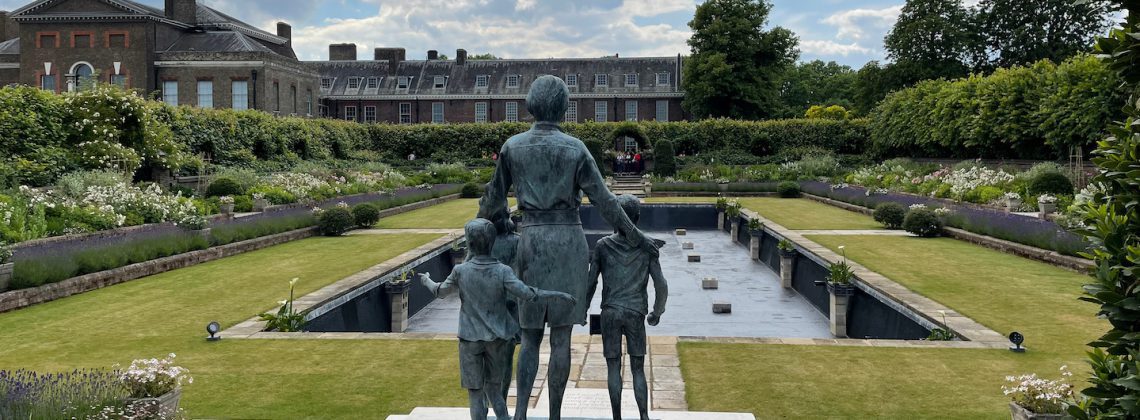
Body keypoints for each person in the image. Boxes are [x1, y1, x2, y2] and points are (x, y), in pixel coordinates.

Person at [477, 75, 659, 420]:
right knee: (561, 340)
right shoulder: (575, 148)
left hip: (530, 241)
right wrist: (638, 238)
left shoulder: (513, 146)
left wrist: (479, 240)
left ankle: (519, 415)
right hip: (568, 244)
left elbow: (492, 202)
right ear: (563, 107)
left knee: (529, 338)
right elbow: (606, 202)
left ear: (531, 106)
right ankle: (555, 416)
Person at [420, 219, 574, 420]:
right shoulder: (503, 271)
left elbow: (440, 292)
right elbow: (528, 293)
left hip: (470, 340)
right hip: (498, 340)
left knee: (476, 395)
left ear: (469, 244)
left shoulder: (461, 271)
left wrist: (426, 281)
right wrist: (558, 294)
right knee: (494, 390)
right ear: (492, 243)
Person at [584, 195, 667, 420]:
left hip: (610, 312)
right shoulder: (647, 247)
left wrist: (582, 310)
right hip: (635, 313)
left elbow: (590, 282)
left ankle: (617, 417)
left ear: (614, 218)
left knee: (613, 367)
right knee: (637, 369)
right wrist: (657, 312)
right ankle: (643, 417)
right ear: (637, 219)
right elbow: (661, 284)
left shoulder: (602, 246)